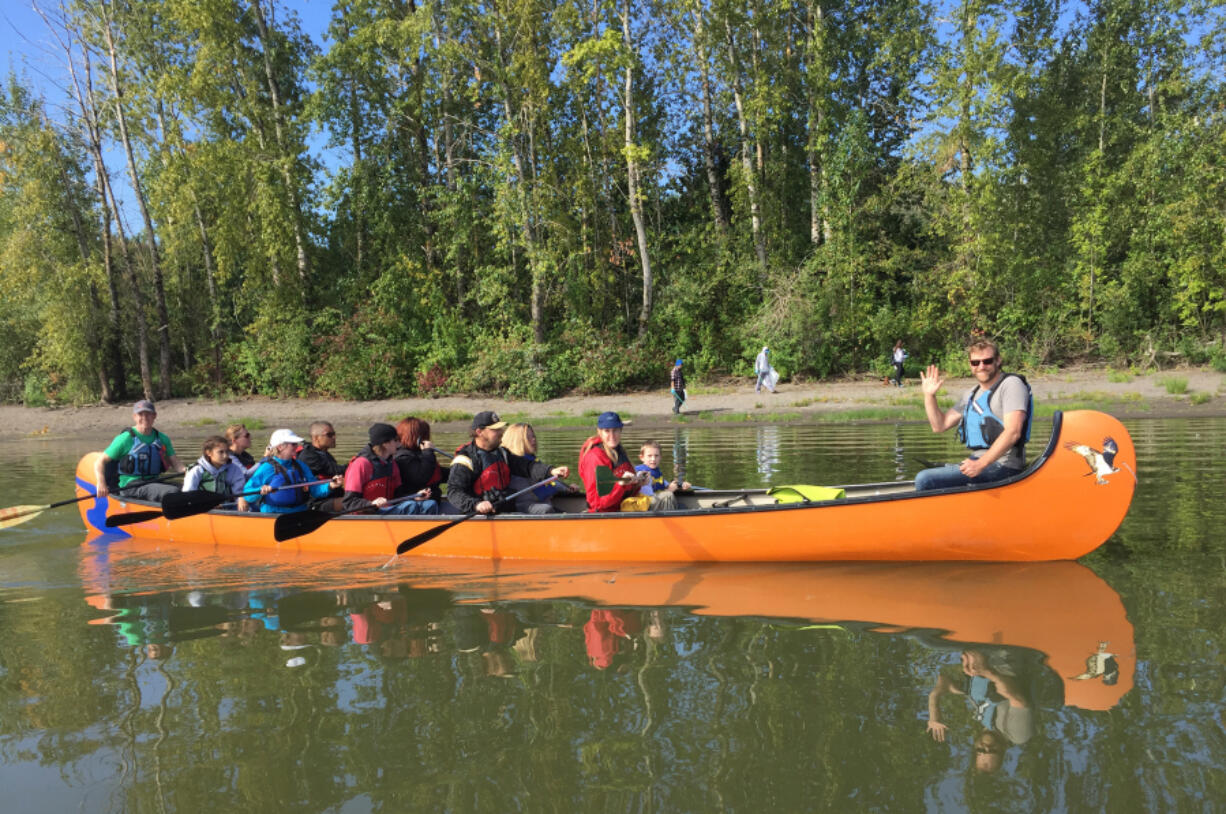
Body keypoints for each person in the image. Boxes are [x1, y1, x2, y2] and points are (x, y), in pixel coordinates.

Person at [915, 340, 1032, 491]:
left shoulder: (1011, 385)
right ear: (970, 364)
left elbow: (1013, 432)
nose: (981, 366)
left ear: (998, 360)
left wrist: (981, 464)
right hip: (979, 462)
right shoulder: (971, 394)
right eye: (975, 362)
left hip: (1004, 466)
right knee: (928, 474)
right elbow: (939, 425)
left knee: (925, 479)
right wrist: (929, 396)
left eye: (987, 361)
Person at [927, 648, 1035, 772]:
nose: (987, 747)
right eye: (993, 751)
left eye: (981, 750)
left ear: (975, 745)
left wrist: (933, 709)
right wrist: (985, 671)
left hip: (976, 654)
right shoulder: (1017, 735)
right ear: (1003, 749)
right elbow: (1018, 699)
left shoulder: (983, 717)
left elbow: (944, 680)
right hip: (1006, 656)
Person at [447, 411, 569, 515]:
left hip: (506, 508)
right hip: (481, 514)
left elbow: (527, 466)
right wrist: (476, 505)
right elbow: (453, 492)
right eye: (496, 429)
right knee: (546, 510)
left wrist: (551, 470)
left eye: (500, 428)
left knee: (548, 510)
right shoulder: (465, 460)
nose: (501, 432)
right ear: (480, 432)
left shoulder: (502, 453)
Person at [94, 400, 185, 501]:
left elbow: (175, 463)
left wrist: (187, 472)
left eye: (148, 414)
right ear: (134, 417)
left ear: (154, 416)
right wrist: (101, 483)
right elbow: (100, 461)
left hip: (153, 482)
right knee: (172, 492)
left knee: (187, 489)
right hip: (131, 486)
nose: (144, 418)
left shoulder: (162, 439)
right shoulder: (125, 438)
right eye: (140, 414)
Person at [342, 423, 439, 515]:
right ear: (385, 443)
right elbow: (349, 502)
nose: (399, 444)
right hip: (368, 513)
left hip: (386, 509)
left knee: (430, 504)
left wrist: (414, 496)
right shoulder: (361, 465)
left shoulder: (392, 464)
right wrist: (371, 504)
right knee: (410, 506)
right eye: (396, 440)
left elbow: (398, 495)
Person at [246, 429, 341, 514]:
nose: (297, 446)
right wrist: (260, 490)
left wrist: (330, 486)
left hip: (299, 513)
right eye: (293, 444)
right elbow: (248, 495)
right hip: (274, 515)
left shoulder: (301, 466)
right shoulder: (266, 468)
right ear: (280, 447)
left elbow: (315, 490)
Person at [579, 411, 650, 512]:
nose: (612, 435)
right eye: (607, 431)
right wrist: (620, 485)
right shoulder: (594, 458)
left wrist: (638, 483)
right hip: (604, 516)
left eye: (615, 430)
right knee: (666, 499)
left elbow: (627, 491)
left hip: (623, 508)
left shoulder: (619, 451)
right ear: (599, 432)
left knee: (666, 498)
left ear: (620, 430)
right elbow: (596, 503)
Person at [501, 422, 578, 513]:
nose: (533, 439)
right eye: (528, 437)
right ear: (517, 441)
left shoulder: (531, 459)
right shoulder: (516, 463)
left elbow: (548, 482)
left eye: (533, 436)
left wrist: (567, 489)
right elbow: (538, 487)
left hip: (539, 503)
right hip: (525, 507)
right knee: (547, 509)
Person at [182, 435, 253, 511]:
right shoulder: (197, 470)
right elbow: (188, 496)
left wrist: (241, 498)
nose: (225, 456)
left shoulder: (233, 469)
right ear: (208, 453)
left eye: (227, 452)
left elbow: (239, 492)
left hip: (227, 508)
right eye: (221, 452)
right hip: (202, 509)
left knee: (250, 508)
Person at [392, 417, 448, 505]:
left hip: (433, 501)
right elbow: (422, 478)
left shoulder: (420, 453)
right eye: (426, 435)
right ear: (419, 438)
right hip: (418, 504)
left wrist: (460, 469)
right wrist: (428, 452)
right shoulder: (403, 457)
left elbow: (438, 473)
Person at [298, 421, 344, 510]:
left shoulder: (324, 454)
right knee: (353, 503)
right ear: (316, 438)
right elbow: (334, 470)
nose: (334, 437)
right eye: (329, 435)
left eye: (334, 434)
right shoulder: (308, 456)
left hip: (331, 496)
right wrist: (355, 463)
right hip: (316, 502)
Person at [635, 441, 691, 512]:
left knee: (682, 506)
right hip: (645, 505)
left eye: (656, 456)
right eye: (649, 456)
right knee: (668, 495)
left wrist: (681, 485)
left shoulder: (656, 472)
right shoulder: (642, 474)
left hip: (655, 503)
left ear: (660, 457)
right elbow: (649, 496)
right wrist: (668, 490)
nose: (653, 459)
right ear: (642, 457)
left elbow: (666, 484)